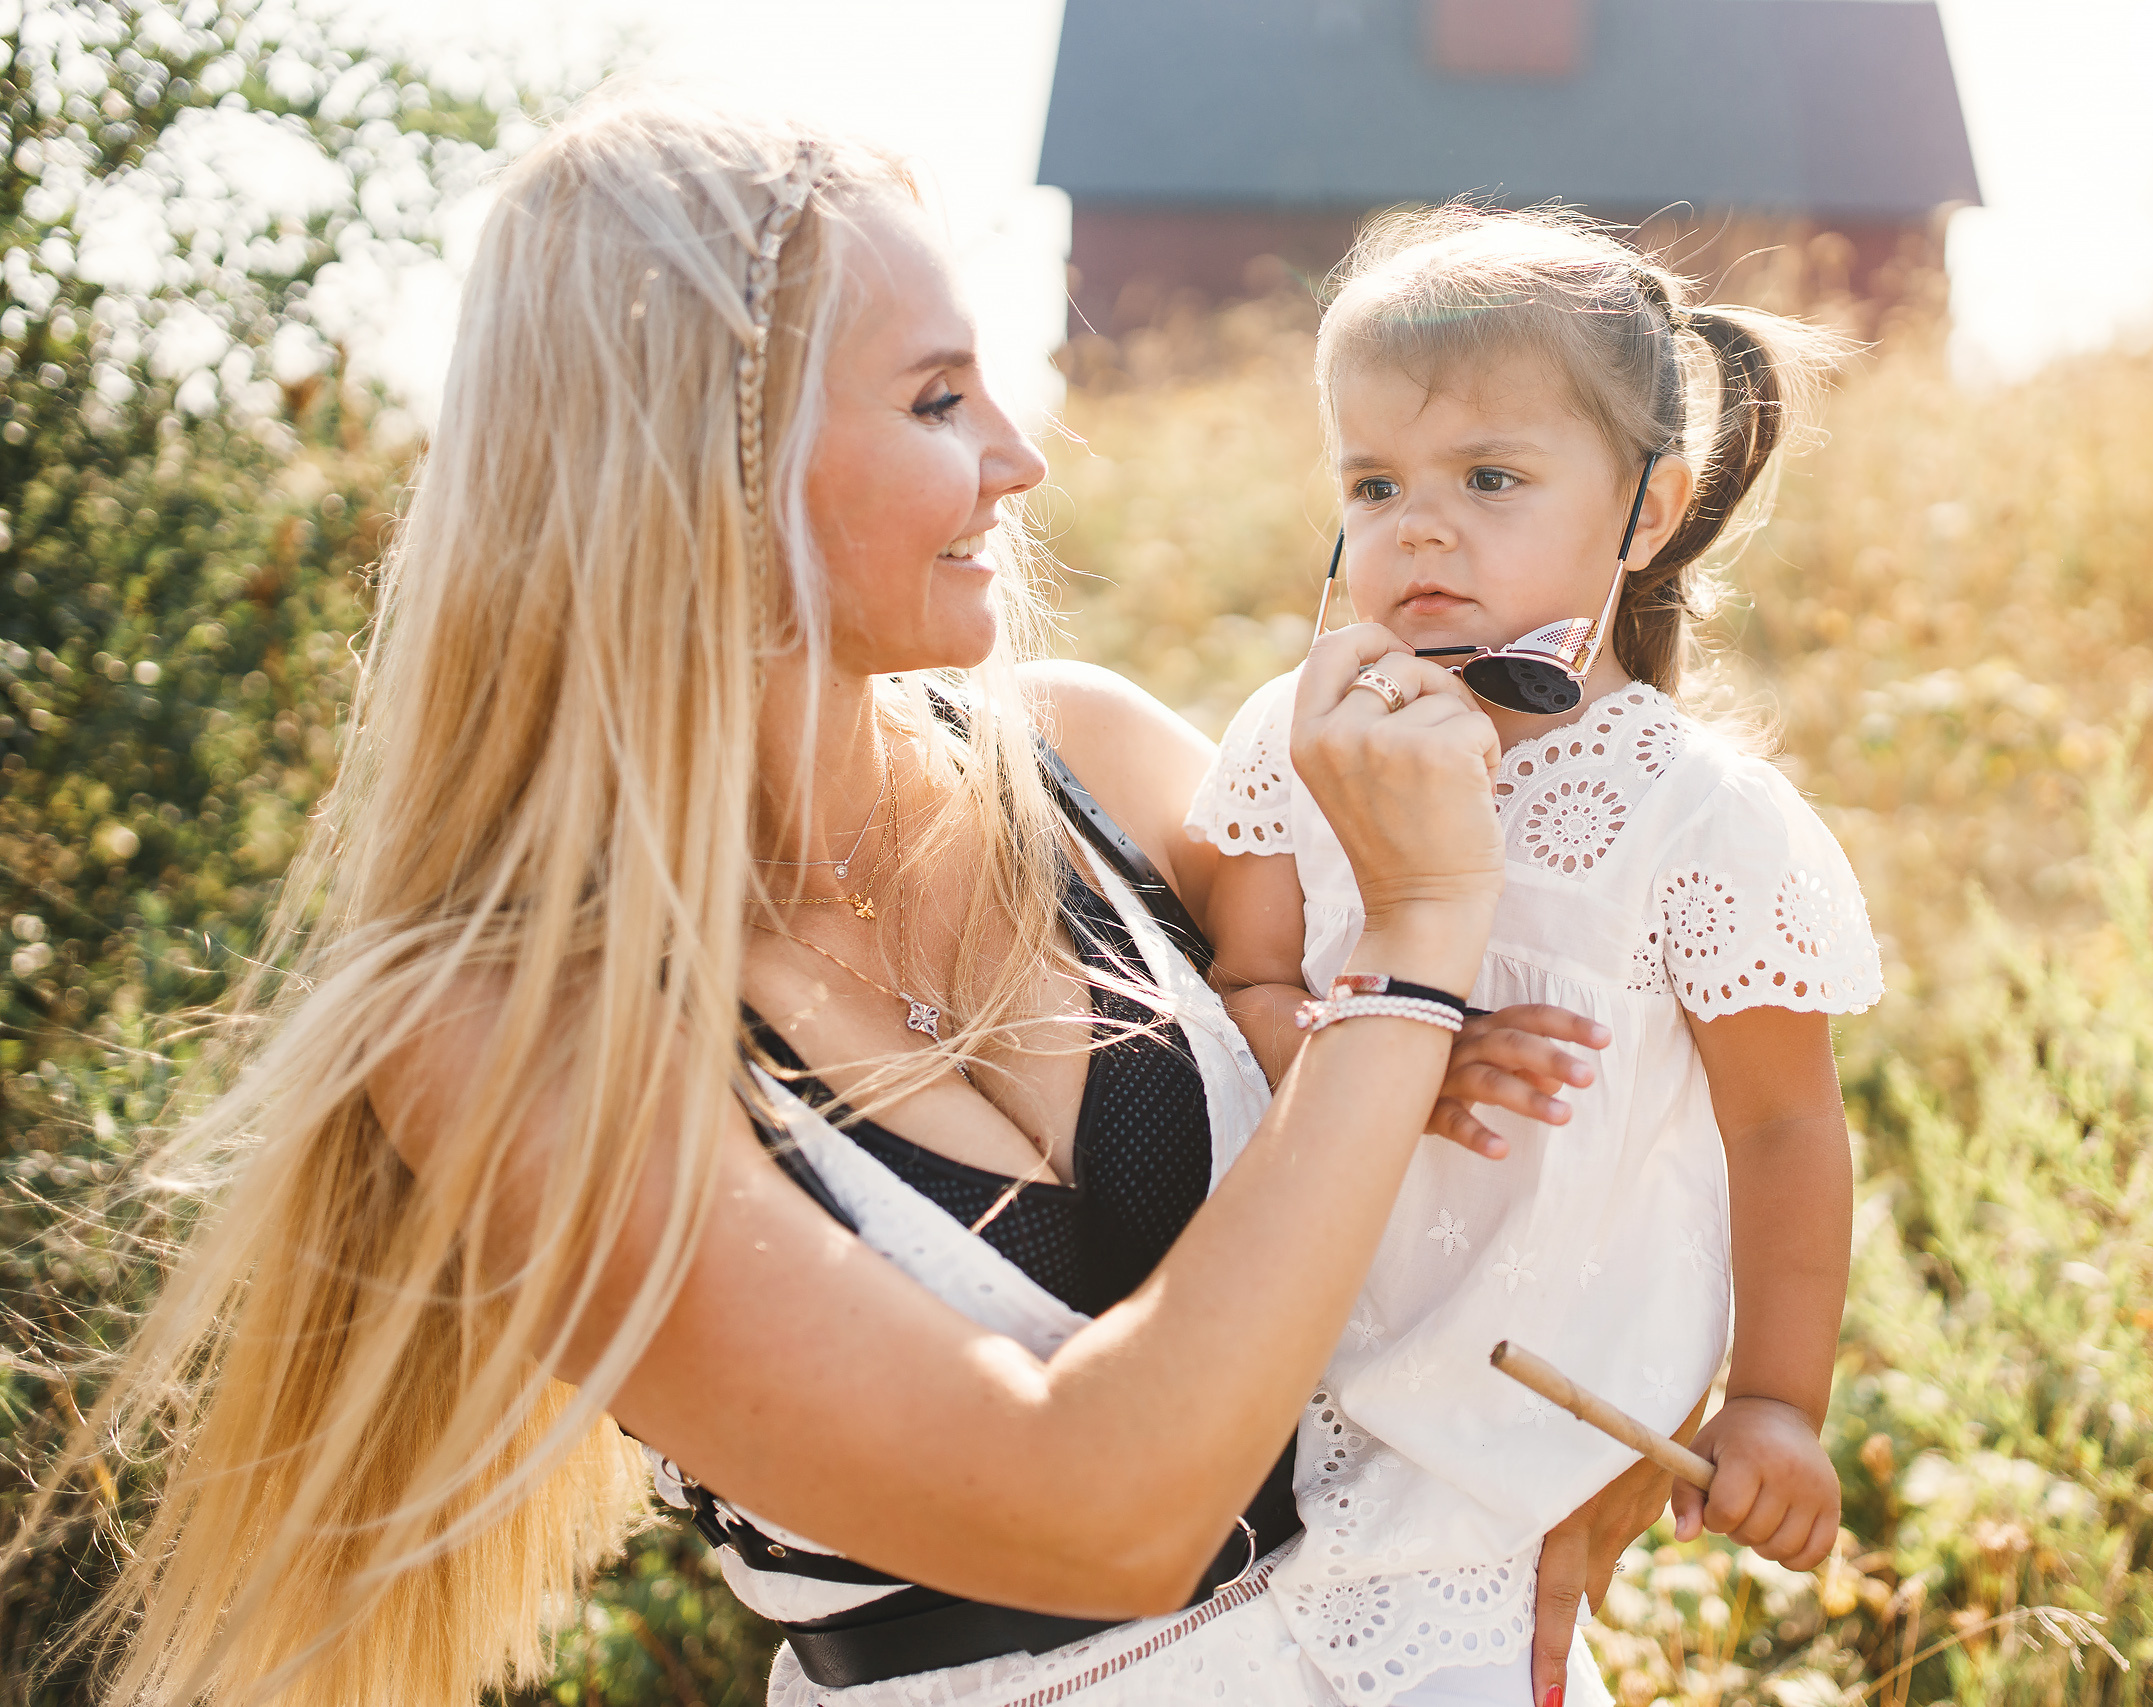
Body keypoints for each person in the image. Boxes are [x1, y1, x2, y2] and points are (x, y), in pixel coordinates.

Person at [52, 95, 1625, 1707]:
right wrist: (1417, 942)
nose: (1018, 458)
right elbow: (1105, 1518)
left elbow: (1603, 1097)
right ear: (701, 472)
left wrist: (1605, 1466)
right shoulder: (503, 1028)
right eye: (939, 399)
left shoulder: (1096, 759)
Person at [1185, 206, 1884, 1707]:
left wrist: (1774, 1402)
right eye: (1373, 484)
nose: (1417, 528)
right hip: (1269, 1392)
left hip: (1523, 1444)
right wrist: (1368, 1054)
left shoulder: (1699, 821)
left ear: (1646, 512)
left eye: (1489, 478)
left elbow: (1783, 1125)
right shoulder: (1287, 746)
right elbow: (1239, 987)